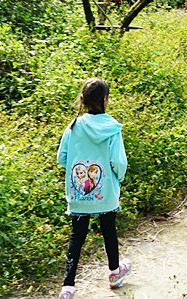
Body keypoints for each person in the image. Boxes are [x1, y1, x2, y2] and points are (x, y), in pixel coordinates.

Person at [57, 78, 132, 298]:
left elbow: (62, 158)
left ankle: (68, 286)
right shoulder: (112, 128)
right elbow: (119, 162)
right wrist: (117, 179)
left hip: (78, 192)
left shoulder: (72, 127)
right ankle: (115, 273)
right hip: (106, 192)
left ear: (83, 99)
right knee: (108, 229)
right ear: (105, 99)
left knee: (77, 235)